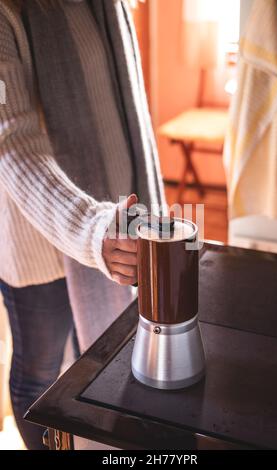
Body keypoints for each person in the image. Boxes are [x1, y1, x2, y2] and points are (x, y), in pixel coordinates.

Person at [0, 0, 165, 449]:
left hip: (119, 226)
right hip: (42, 239)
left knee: (101, 365)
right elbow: (10, 141)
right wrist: (90, 228)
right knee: (41, 373)